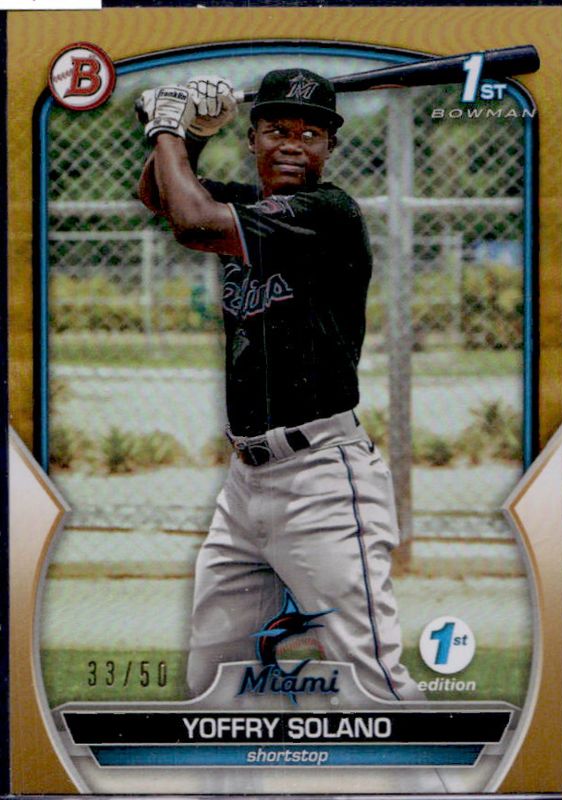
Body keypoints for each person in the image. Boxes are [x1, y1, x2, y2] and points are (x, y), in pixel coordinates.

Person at [138, 69, 423, 702]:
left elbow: (192, 223)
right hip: (244, 484)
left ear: (330, 148)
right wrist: (191, 134)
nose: (293, 144)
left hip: (321, 479)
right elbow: (160, 196)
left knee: (371, 683)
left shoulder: (328, 213)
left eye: (310, 134)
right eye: (276, 130)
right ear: (253, 139)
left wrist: (167, 125)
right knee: (215, 684)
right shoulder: (246, 205)